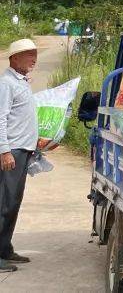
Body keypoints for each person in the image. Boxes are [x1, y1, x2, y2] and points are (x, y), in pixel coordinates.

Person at [0, 39, 54, 272]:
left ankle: (5, 248)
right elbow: (0, 118)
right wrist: (4, 151)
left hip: (23, 150)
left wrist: (37, 140)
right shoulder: (6, 84)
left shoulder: (21, 82)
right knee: (4, 203)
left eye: (34, 54)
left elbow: (21, 119)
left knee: (13, 202)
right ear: (14, 58)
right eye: (28, 54)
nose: (33, 59)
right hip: (11, 152)